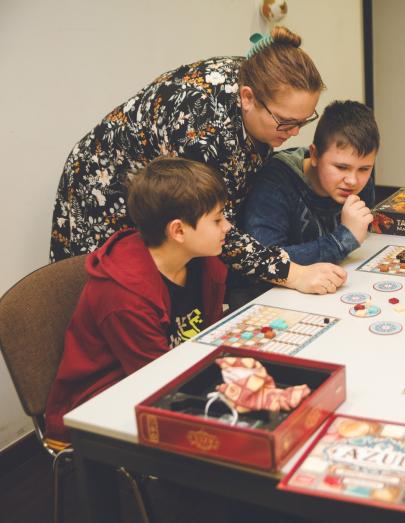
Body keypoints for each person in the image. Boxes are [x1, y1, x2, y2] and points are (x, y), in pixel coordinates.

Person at [50, 26, 346, 296]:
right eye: (285, 122)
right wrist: (294, 275)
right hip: (104, 187)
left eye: (303, 121)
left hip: (155, 178)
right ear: (247, 98)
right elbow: (215, 227)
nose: (294, 133)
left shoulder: (260, 83)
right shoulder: (204, 127)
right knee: (115, 292)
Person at [45, 157, 231, 441]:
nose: (227, 226)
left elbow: (208, 340)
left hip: (172, 376)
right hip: (103, 404)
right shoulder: (123, 295)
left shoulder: (203, 263)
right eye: (217, 219)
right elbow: (156, 383)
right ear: (178, 231)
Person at [230, 101, 378, 306]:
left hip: (330, 291)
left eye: (364, 169)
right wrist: (343, 239)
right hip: (271, 300)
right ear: (315, 155)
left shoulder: (360, 184)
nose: (353, 180)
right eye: (341, 167)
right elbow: (264, 260)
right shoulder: (275, 182)